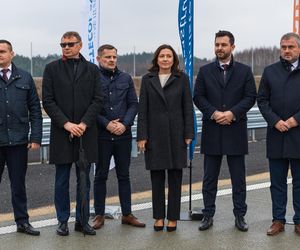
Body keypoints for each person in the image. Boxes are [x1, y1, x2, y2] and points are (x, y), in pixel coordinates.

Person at [193, 30, 256, 232]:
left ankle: (240, 216)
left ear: (232, 47)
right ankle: (208, 214)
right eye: (217, 44)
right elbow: (198, 97)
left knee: (238, 178)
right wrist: (213, 113)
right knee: (209, 178)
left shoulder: (245, 71)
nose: (220, 48)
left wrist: (232, 113)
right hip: (213, 130)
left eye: (223, 45)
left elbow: (250, 96)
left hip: (235, 129)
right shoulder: (204, 71)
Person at [42, 31, 102, 236]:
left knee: (84, 181)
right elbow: (48, 101)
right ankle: (62, 221)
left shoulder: (93, 70)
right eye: (63, 44)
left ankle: (82, 221)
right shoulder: (51, 69)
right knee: (61, 181)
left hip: (86, 134)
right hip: (62, 133)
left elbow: (98, 99)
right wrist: (67, 124)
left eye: (70, 44)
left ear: (80, 45)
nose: (66, 47)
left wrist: (84, 123)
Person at [137, 44, 194, 232]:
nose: (165, 59)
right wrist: (142, 136)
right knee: (157, 179)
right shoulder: (147, 80)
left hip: (177, 134)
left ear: (174, 60)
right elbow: (142, 110)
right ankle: (159, 217)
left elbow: (188, 108)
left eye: (169, 56)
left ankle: (173, 217)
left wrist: (188, 134)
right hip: (154, 135)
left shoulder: (182, 78)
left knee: (176, 178)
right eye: (162, 56)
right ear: (157, 59)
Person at [92, 44, 145, 229]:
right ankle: (99, 215)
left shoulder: (126, 78)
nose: (111, 60)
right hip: (101, 136)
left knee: (124, 176)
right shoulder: (92, 78)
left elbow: (133, 104)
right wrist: (107, 123)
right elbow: (90, 107)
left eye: (114, 57)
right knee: (100, 176)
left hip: (123, 135)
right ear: (99, 59)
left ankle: (127, 214)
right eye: (107, 57)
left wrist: (124, 124)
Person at [257, 32, 300, 236]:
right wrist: (275, 121)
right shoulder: (270, 71)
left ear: (298, 48)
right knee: (277, 183)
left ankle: (299, 220)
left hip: (298, 134)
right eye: (283, 47)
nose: (287, 50)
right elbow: (262, 100)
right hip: (276, 135)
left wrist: (295, 120)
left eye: (291, 47)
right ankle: (278, 220)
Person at [0, 40, 42, 235]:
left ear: (12, 53)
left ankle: (22, 222)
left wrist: (35, 137)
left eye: (2, 51)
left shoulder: (24, 77)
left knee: (18, 185)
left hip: (18, 141)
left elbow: (35, 109)